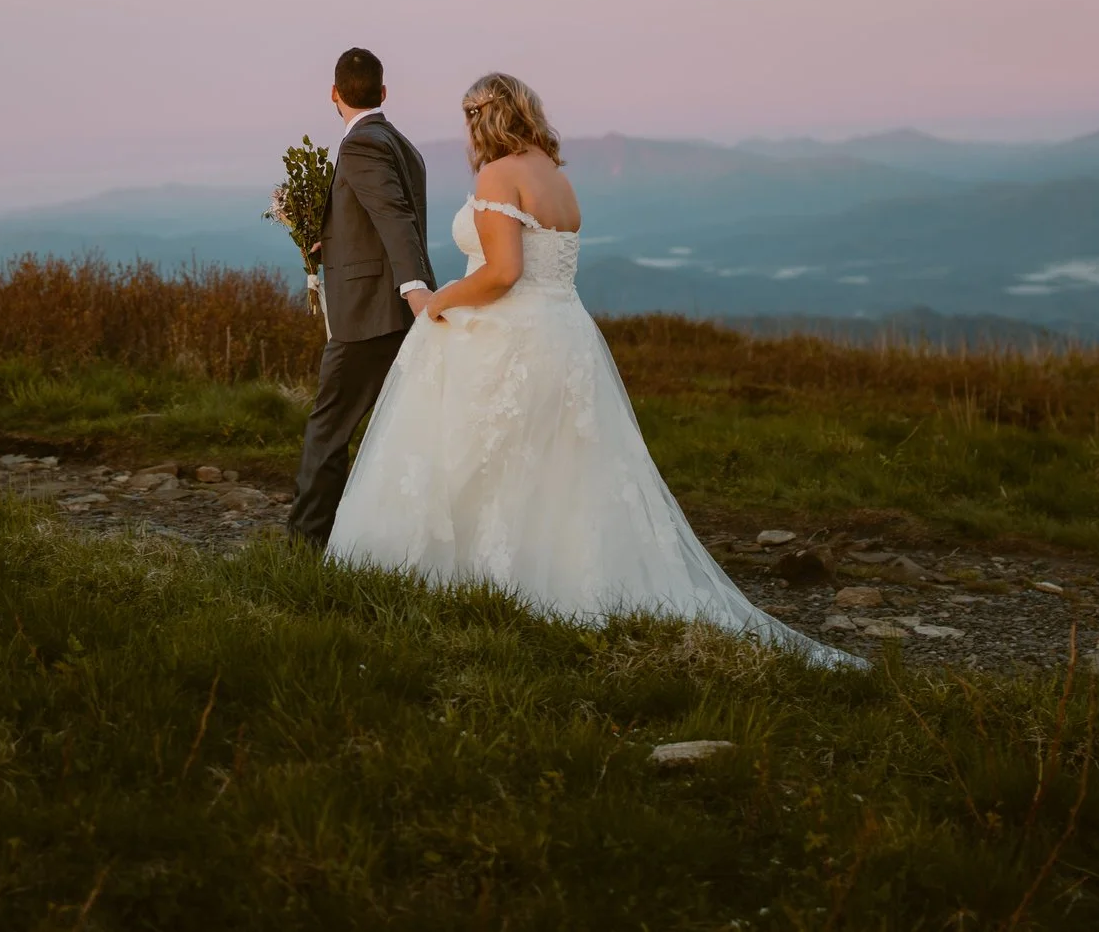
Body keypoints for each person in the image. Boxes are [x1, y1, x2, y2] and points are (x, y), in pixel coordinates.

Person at [327, 71, 866, 669]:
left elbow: (503, 273)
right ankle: (553, 573)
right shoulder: (555, 176)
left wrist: (440, 300)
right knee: (560, 467)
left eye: (469, 118)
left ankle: (488, 584)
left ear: (484, 117)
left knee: (481, 460)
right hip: (566, 334)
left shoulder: (499, 174)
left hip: (513, 337)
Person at [283, 47, 438, 548]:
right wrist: (334, 235)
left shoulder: (359, 146)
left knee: (327, 429)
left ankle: (306, 546)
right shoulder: (401, 143)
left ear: (334, 94)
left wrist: (417, 293)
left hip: (371, 315)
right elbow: (381, 213)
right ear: (383, 92)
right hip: (387, 307)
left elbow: (395, 218)